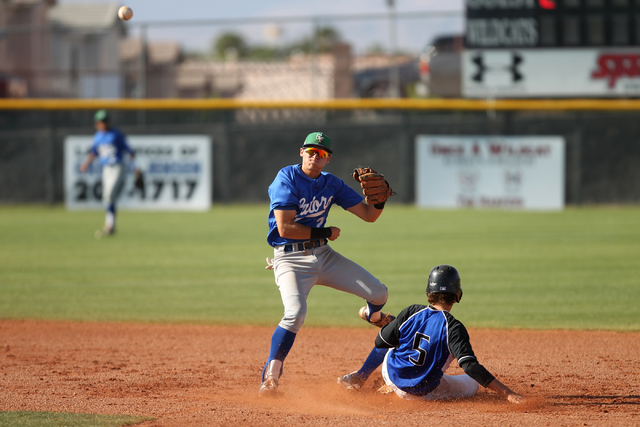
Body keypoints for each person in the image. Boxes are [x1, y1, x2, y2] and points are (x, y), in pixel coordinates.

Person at [259, 131, 394, 396]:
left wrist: (379, 200)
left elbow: (368, 216)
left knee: (380, 293)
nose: (315, 156)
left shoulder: (332, 183)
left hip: (323, 255)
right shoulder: (286, 177)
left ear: (328, 159)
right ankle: (270, 379)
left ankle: (373, 315)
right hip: (290, 258)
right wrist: (326, 232)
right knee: (295, 313)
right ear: (301, 152)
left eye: (321, 154)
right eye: (310, 151)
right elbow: (285, 228)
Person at [337, 264, 526, 404]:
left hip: (390, 373)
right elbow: (470, 366)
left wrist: (392, 324)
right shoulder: (454, 328)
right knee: (472, 384)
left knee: (391, 340)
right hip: (418, 392)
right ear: (457, 294)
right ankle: (390, 390)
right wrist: (508, 393)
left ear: (428, 292)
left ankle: (360, 377)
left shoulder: (412, 311)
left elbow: (381, 342)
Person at [79, 109, 135, 237]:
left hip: (117, 167)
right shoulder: (97, 136)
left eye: (105, 121)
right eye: (100, 121)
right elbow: (94, 152)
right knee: (108, 198)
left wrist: (134, 166)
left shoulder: (116, 134)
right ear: (96, 123)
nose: (103, 124)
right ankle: (111, 225)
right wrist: (86, 163)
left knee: (109, 196)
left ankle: (109, 225)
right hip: (106, 169)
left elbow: (129, 150)